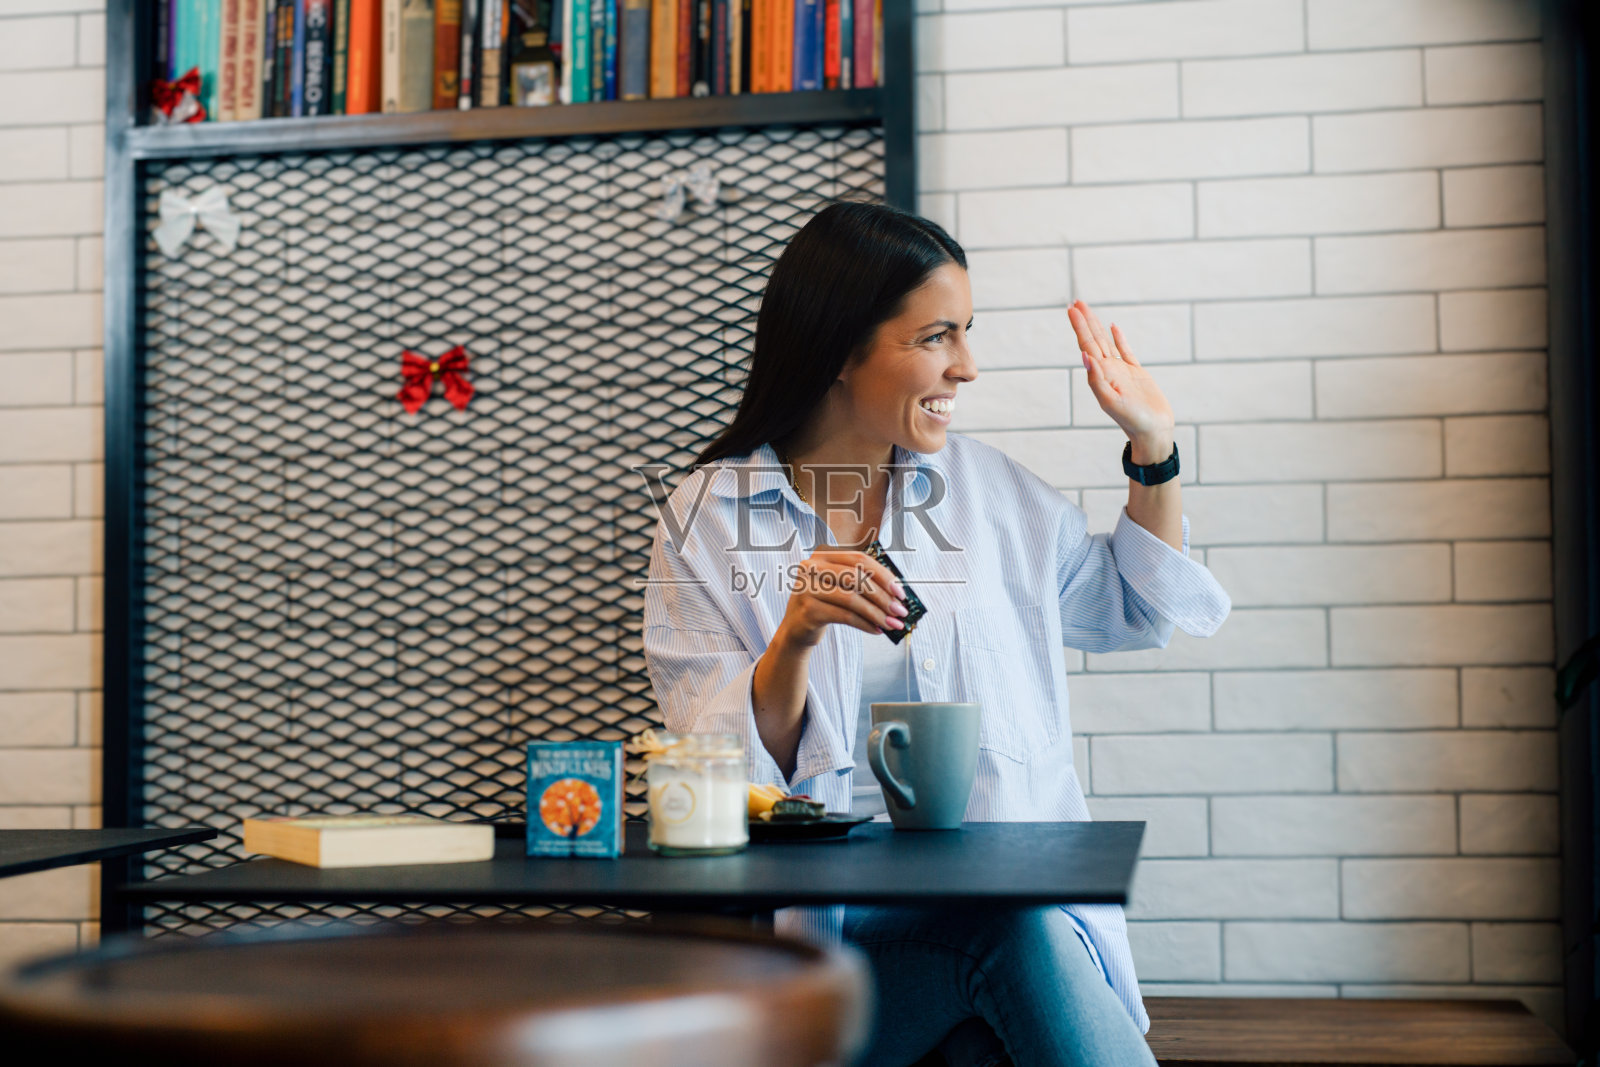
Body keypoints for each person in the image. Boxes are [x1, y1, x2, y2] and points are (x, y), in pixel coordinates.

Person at [641, 200, 1232, 1066]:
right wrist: (794, 640)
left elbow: (1132, 607)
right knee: (1008, 937)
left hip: (983, 918)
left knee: (986, 1020)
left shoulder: (988, 495)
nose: (968, 367)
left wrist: (1154, 448)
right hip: (818, 953)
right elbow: (718, 771)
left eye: (967, 333)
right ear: (843, 347)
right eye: (937, 337)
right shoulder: (708, 517)